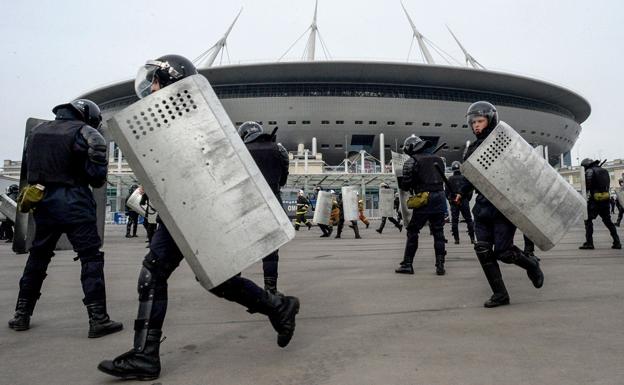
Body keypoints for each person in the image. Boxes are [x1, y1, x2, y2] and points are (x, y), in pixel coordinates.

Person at [98, 55, 299, 381]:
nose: (150, 87)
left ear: (169, 82)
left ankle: (146, 356)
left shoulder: (192, 118)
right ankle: (277, 307)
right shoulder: (173, 119)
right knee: (215, 278)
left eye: (155, 81)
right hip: (183, 210)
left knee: (158, 272)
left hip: (195, 210)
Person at [8, 99, 123, 337]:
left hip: (43, 202)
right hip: (75, 202)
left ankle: (21, 314)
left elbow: (29, 170)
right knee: (90, 258)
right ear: (88, 116)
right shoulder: (86, 132)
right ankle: (98, 319)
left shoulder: (37, 132)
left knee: (38, 257)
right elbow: (97, 178)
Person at [455, 101, 544, 307]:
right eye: (473, 122)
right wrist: (461, 193)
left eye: (480, 121)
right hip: (483, 207)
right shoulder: (472, 149)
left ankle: (531, 265)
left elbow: (524, 171)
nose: (476, 125)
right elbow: (470, 177)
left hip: (504, 207)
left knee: (503, 252)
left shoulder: (505, 143)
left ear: (490, 119)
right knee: (483, 250)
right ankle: (500, 294)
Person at [237, 121, 290, 294]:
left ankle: (235, 285)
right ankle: (271, 288)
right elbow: (283, 179)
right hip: (272, 202)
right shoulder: (279, 149)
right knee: (271, 249)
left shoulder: (239, 150)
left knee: (238, 245)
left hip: (245, 204)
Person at [395, 135, 447, 276]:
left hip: (424, 198)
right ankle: (440, 265)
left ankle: (407, 264)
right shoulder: (439, 160)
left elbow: (406, 185)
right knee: (438, 232)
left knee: (413, 231)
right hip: (440, 198)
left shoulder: (412, 161)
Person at [579, 158, 621, 249]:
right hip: (605, 198)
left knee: (588, 220)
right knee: (608, 221)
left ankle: (589, 243)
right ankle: (617, 242)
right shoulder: (605, 171)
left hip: (595, 200)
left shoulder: (590, 171)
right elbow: (607, 185)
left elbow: (587, 186)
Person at [445, 161, 475, 244]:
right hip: (464, 200)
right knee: (468, 220)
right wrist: (467, 199)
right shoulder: (464, 178)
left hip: (454, 202)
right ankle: (472, 238)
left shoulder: (450, 179)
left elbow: (446, 192)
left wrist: (451, 201)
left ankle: (456, 239)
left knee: (455, 221)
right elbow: (469, 191)